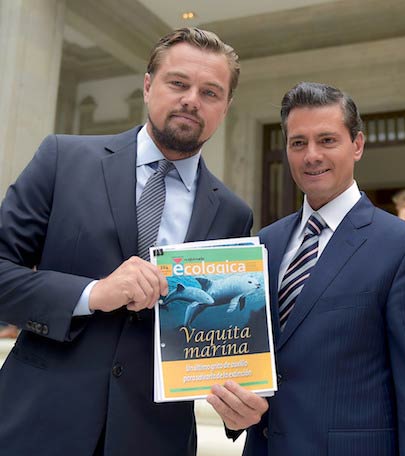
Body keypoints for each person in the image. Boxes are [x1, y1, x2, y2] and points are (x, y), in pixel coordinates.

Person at [0, 28, 252, 455]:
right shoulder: (63, 159)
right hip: (40, 422)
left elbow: (216, 336)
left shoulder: (232, 213)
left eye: (210, 92)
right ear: (148, 84)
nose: (192, 98)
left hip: (154, 437)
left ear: (225, 108)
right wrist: (92, 293)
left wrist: (237, 404)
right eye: (178, 83)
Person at [207, 82, 405, 455]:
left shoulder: (403, 247)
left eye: (327, 140)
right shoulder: (263, 245)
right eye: (298, 143)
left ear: (357, 145)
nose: (311, 156)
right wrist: (234, 411)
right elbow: (247, 362)